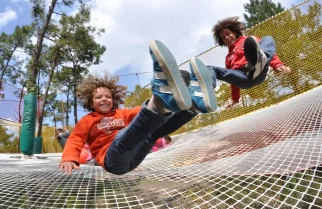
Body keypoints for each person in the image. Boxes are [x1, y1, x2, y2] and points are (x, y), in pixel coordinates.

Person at [58, 40, 217, 175]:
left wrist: (171, 108)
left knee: (154, 131)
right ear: (91, 103)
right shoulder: (87, 120)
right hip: (112, 160)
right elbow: (75, 138)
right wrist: (69, 158)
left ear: (113, 100)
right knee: (121, 138)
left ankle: (192, 107)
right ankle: (160, 101)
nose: (104, 99)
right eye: (99, 97)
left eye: (108, 96)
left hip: (135, 156)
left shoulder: (121, 113)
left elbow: (139, 114)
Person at [200, 16, 291, 108]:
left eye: (228, 34)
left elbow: (271, 53)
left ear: (235, 32)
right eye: (224, 38)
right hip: (242, 77)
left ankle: (257, 63)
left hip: (258, 71)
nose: (227, 38)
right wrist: (235, 99)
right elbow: (232, 79)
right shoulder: (228, 58)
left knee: (268, 39)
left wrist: (277, 65)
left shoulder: (249, 40)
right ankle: (207, 90)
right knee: (210, 69)